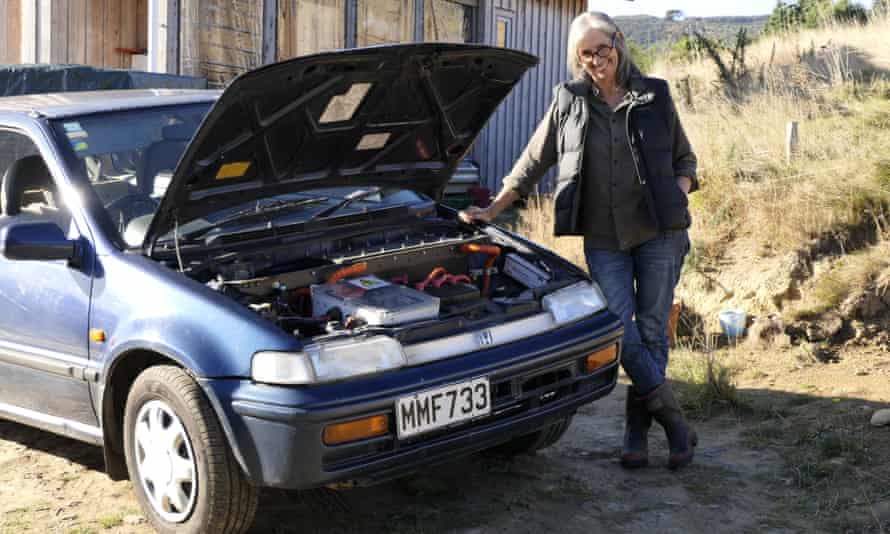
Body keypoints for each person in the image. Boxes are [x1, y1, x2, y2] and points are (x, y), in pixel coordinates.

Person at [460, 12, 698, 470]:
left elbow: (685, 160)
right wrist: (492, 209)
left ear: (619, 42)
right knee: (617, 324)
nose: (594, 61)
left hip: (660, 235)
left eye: (601, 49)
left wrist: (677, 198)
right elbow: (533, 161)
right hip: (604, 238)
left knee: (651, 329)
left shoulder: (656, 96)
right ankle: (673, 420)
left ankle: (635, 431)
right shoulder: (568, 101)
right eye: (584, 54)